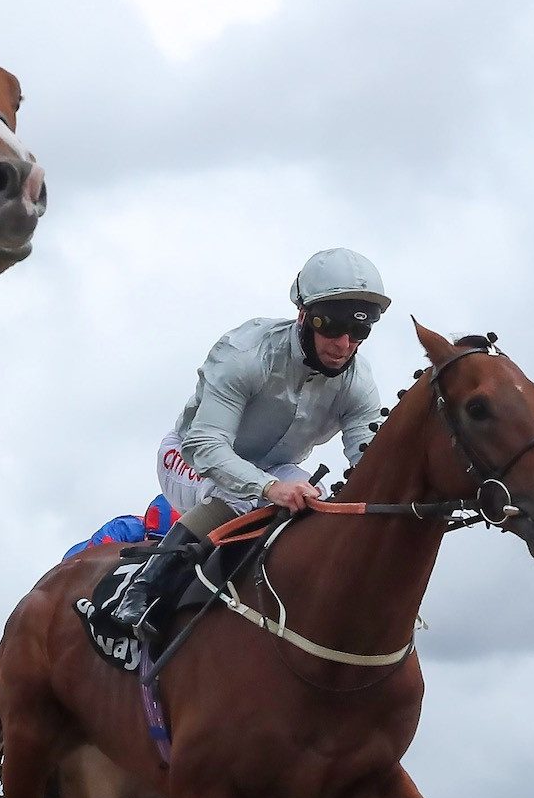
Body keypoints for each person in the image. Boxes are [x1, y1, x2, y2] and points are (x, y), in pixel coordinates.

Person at [98, 248, 388, 646]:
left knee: (314, 508)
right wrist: (268, 488)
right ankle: (142, 590)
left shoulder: (358, 382)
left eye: (358, 333)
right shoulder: (245, 353)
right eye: (332, 328)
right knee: (242, 496)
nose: (343, 345)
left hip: (275, 467)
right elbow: (206, 444)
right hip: (191, 455)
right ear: (303, 315)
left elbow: (371, 458)